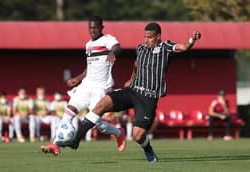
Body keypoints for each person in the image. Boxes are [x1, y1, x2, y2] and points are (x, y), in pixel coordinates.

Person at [60, 22, 201, 162]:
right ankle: (76, 141)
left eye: (150, 37)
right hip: (132, 91)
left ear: (158, 37)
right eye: (144, 37)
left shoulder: (166, 47)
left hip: (148, 98)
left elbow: (184, 47)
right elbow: (136, 64)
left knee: (138, 136)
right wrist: (131, 79)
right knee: (101, 105)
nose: (146, 40)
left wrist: (192, 39)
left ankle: (148, 149)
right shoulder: (141, 48)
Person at [40, 16, 125, 155]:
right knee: (68, 112)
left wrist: (112, 52)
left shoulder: (107, 39)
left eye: (96, 27)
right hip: (85, 86)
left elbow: (118, 48)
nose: (93, 30)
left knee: (96, 124)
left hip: (100, 89)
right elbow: (89, 68)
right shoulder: (88, 45)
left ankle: (118, 132)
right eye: (90, 28)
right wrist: (78, 79)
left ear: (101, 27)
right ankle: (56, 144)